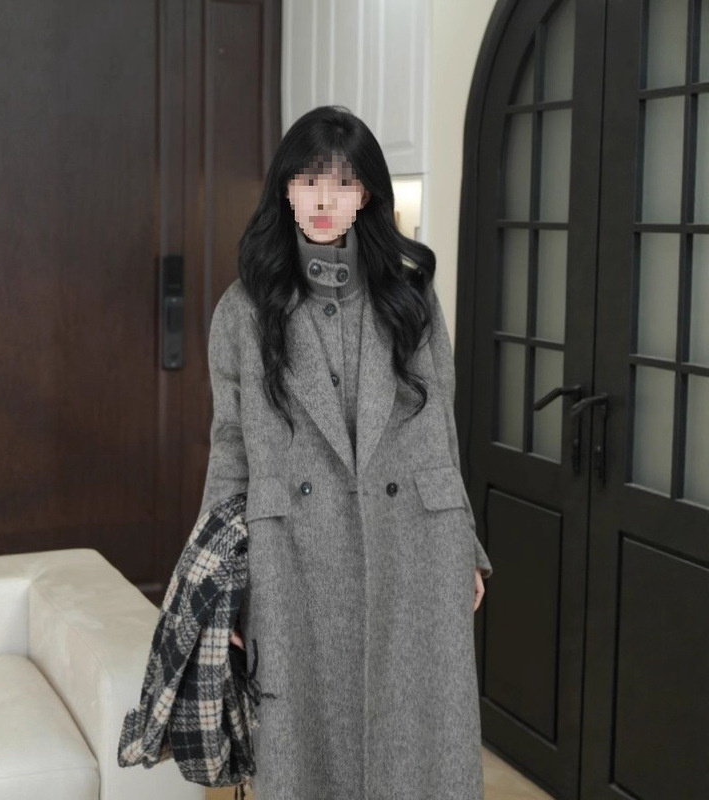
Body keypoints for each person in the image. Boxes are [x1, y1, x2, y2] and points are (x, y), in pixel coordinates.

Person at [200, 105, 493, 800]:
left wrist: (467, 545)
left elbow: (439, 430)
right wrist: (221, 584)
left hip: (413, 546)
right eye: (309, 180)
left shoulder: (410, 295)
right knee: (306, 753)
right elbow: (230, 448)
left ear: (366, 194)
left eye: (343, 181)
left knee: (417, 748)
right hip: (292, 558)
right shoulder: (244, 310)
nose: (325, 199)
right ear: (285, 190)